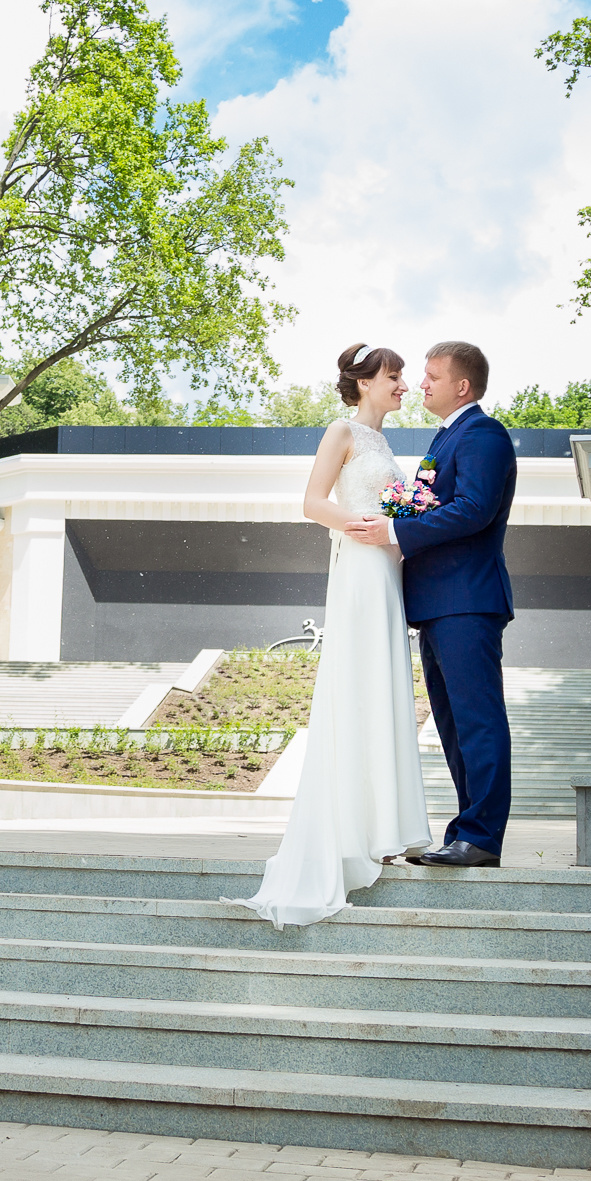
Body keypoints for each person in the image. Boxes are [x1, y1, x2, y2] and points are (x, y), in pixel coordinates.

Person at [230, 343, 431, 926]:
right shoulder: (340, 430)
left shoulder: (385, 444)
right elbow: (312, 503)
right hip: (361, 565)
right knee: (358, 684)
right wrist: (369, 526)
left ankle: (384, 827)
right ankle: (354, 827)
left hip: (386, 568)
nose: (402, 385)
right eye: (393, 376)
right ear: (365, 383)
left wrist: (399, 525)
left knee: (385, 685)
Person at [343, 340, 515, 868]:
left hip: (466, 600)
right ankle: (466, 831)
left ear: (461, 386)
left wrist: (394, 527)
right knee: (453, 722)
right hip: (438, 604)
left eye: (432, 377)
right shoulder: (446, 439)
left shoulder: (482, 434)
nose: (421, 385)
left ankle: (482, 837)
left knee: (477, 719)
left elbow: (474, 510)